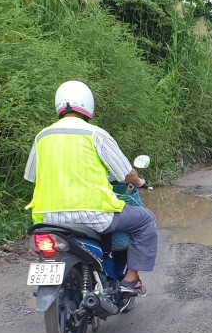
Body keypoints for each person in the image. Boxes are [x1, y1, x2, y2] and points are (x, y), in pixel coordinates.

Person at [24, 80, 156, 296]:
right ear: (88, 105)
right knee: (145, 220)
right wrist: (139, 182)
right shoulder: (95, 134)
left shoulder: (43, 136)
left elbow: (32, 176)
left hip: (47, 219)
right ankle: (130, 280)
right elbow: (126, 173)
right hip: (92, 215)